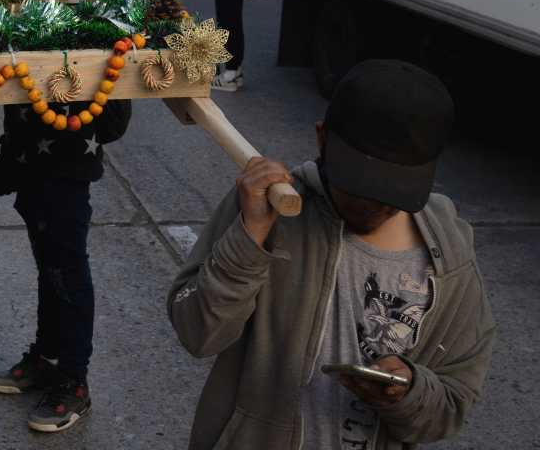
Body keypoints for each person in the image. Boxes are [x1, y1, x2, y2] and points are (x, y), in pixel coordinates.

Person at [168, 60, 495, 450]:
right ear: (322, 139)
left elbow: (453, 401)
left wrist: (408, 393)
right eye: (358, 187)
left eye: (392, 194)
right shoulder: (267, 210)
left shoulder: (449, 257)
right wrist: (249, 236)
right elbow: (197, 333)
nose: (372, 205)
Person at [0, 96, 132, 433]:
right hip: (28, 156)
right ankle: (48, 354)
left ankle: (74, 379)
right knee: (48, 263)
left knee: (67, 269)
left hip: (69, 163)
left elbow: (113, 123)